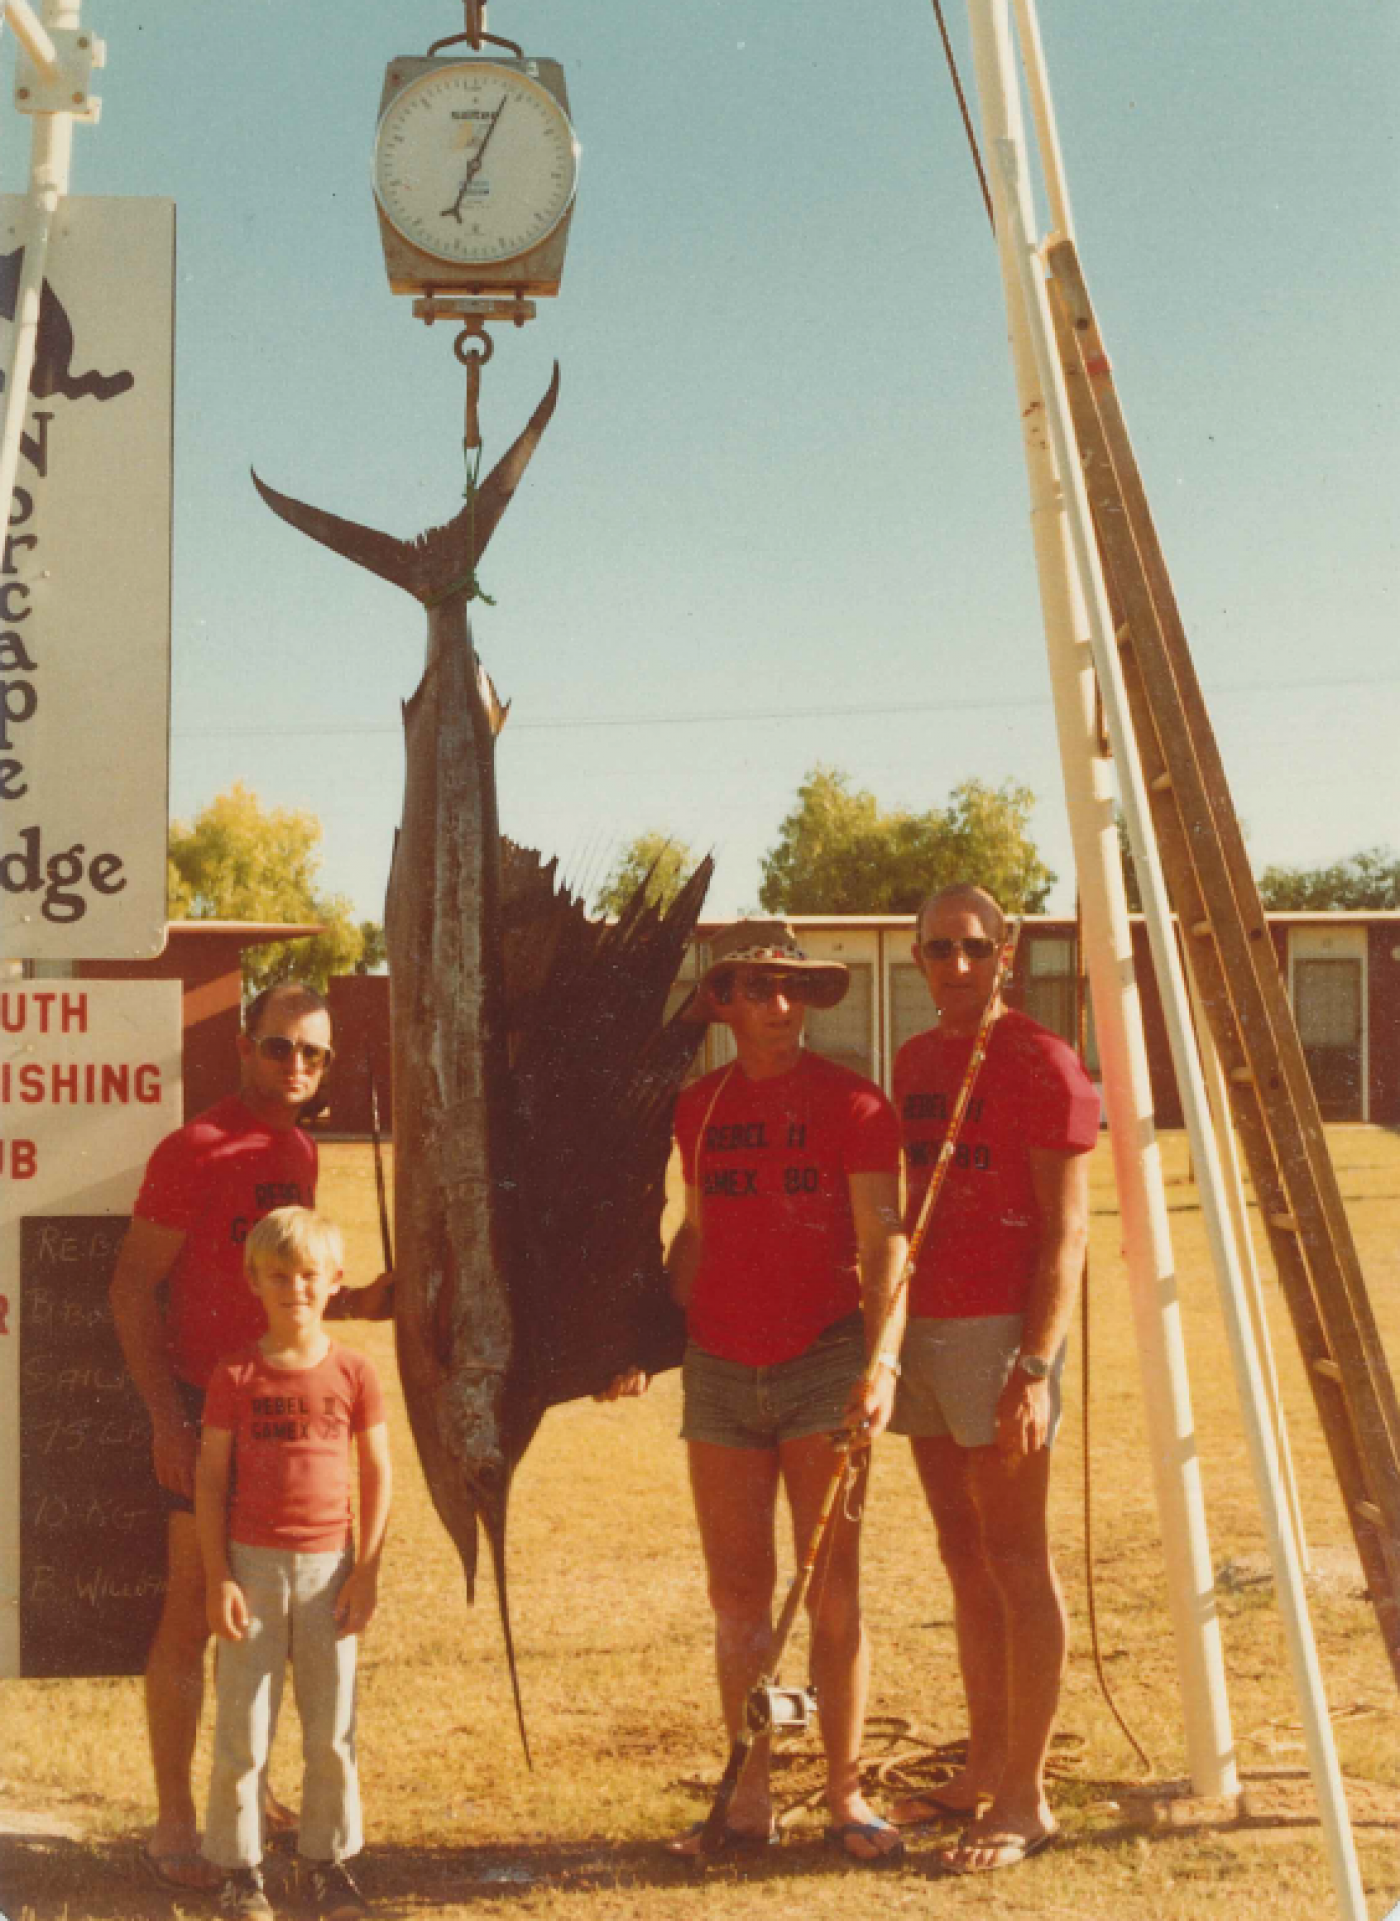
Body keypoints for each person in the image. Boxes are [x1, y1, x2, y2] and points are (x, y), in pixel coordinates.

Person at [111, 982, 392, 1892]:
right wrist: (165, 1416)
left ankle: (259, 1801)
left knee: (273, 1623)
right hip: (204, 1406)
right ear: (243, 1045)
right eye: (281, 1048)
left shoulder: (300, 1148)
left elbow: (280, 1277)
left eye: (315, 1054)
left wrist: (357, 1300)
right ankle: (174, 1820)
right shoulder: (194, 1146)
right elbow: (130, 1290)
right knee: (195, 1611)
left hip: (285, 1417)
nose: (298, 1067)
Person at [664, 919, 908, 1865]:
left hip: (823, 1365)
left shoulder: (854, 1103)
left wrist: (880, 1361)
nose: (780, 1006)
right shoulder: (700, 1107)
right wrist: (648, 1332)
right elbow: (697, 1231)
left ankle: (845, 1796)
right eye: (760, 988)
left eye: (795, 990)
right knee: (739, 1598)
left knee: (832, 1591)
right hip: (720, 1372)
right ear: (722, 999)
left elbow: (885, 1239)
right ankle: (750, 1794)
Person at [886, 884, 1098, 1874]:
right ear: (917, 956)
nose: (955, 966)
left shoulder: (1042, 1062)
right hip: (924, 1328)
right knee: (960, 1552)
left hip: (999, 1335)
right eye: (938, 949)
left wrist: (1031, 1365)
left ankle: (1024, 1795)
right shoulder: (915, 1058)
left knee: (1016, 1558)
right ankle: (981, 1764)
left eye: (973, 948)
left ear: (1004, 953)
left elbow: (1066, 1233)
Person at [197, 1206, 391, 1920]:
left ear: (336, 1281)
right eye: (279, 1274)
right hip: (252, 1568)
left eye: (311, 1274)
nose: (296, 1288)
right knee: (243, 1732)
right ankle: (238, 1870)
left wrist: (365, 1569)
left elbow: (377, 1472)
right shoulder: (236, 1373)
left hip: (329, 1571)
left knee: (331, 1730)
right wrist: (219, 1573)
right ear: (254, 1280)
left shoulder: (355, 1371)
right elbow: (212, 1479)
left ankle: (327, 1862)